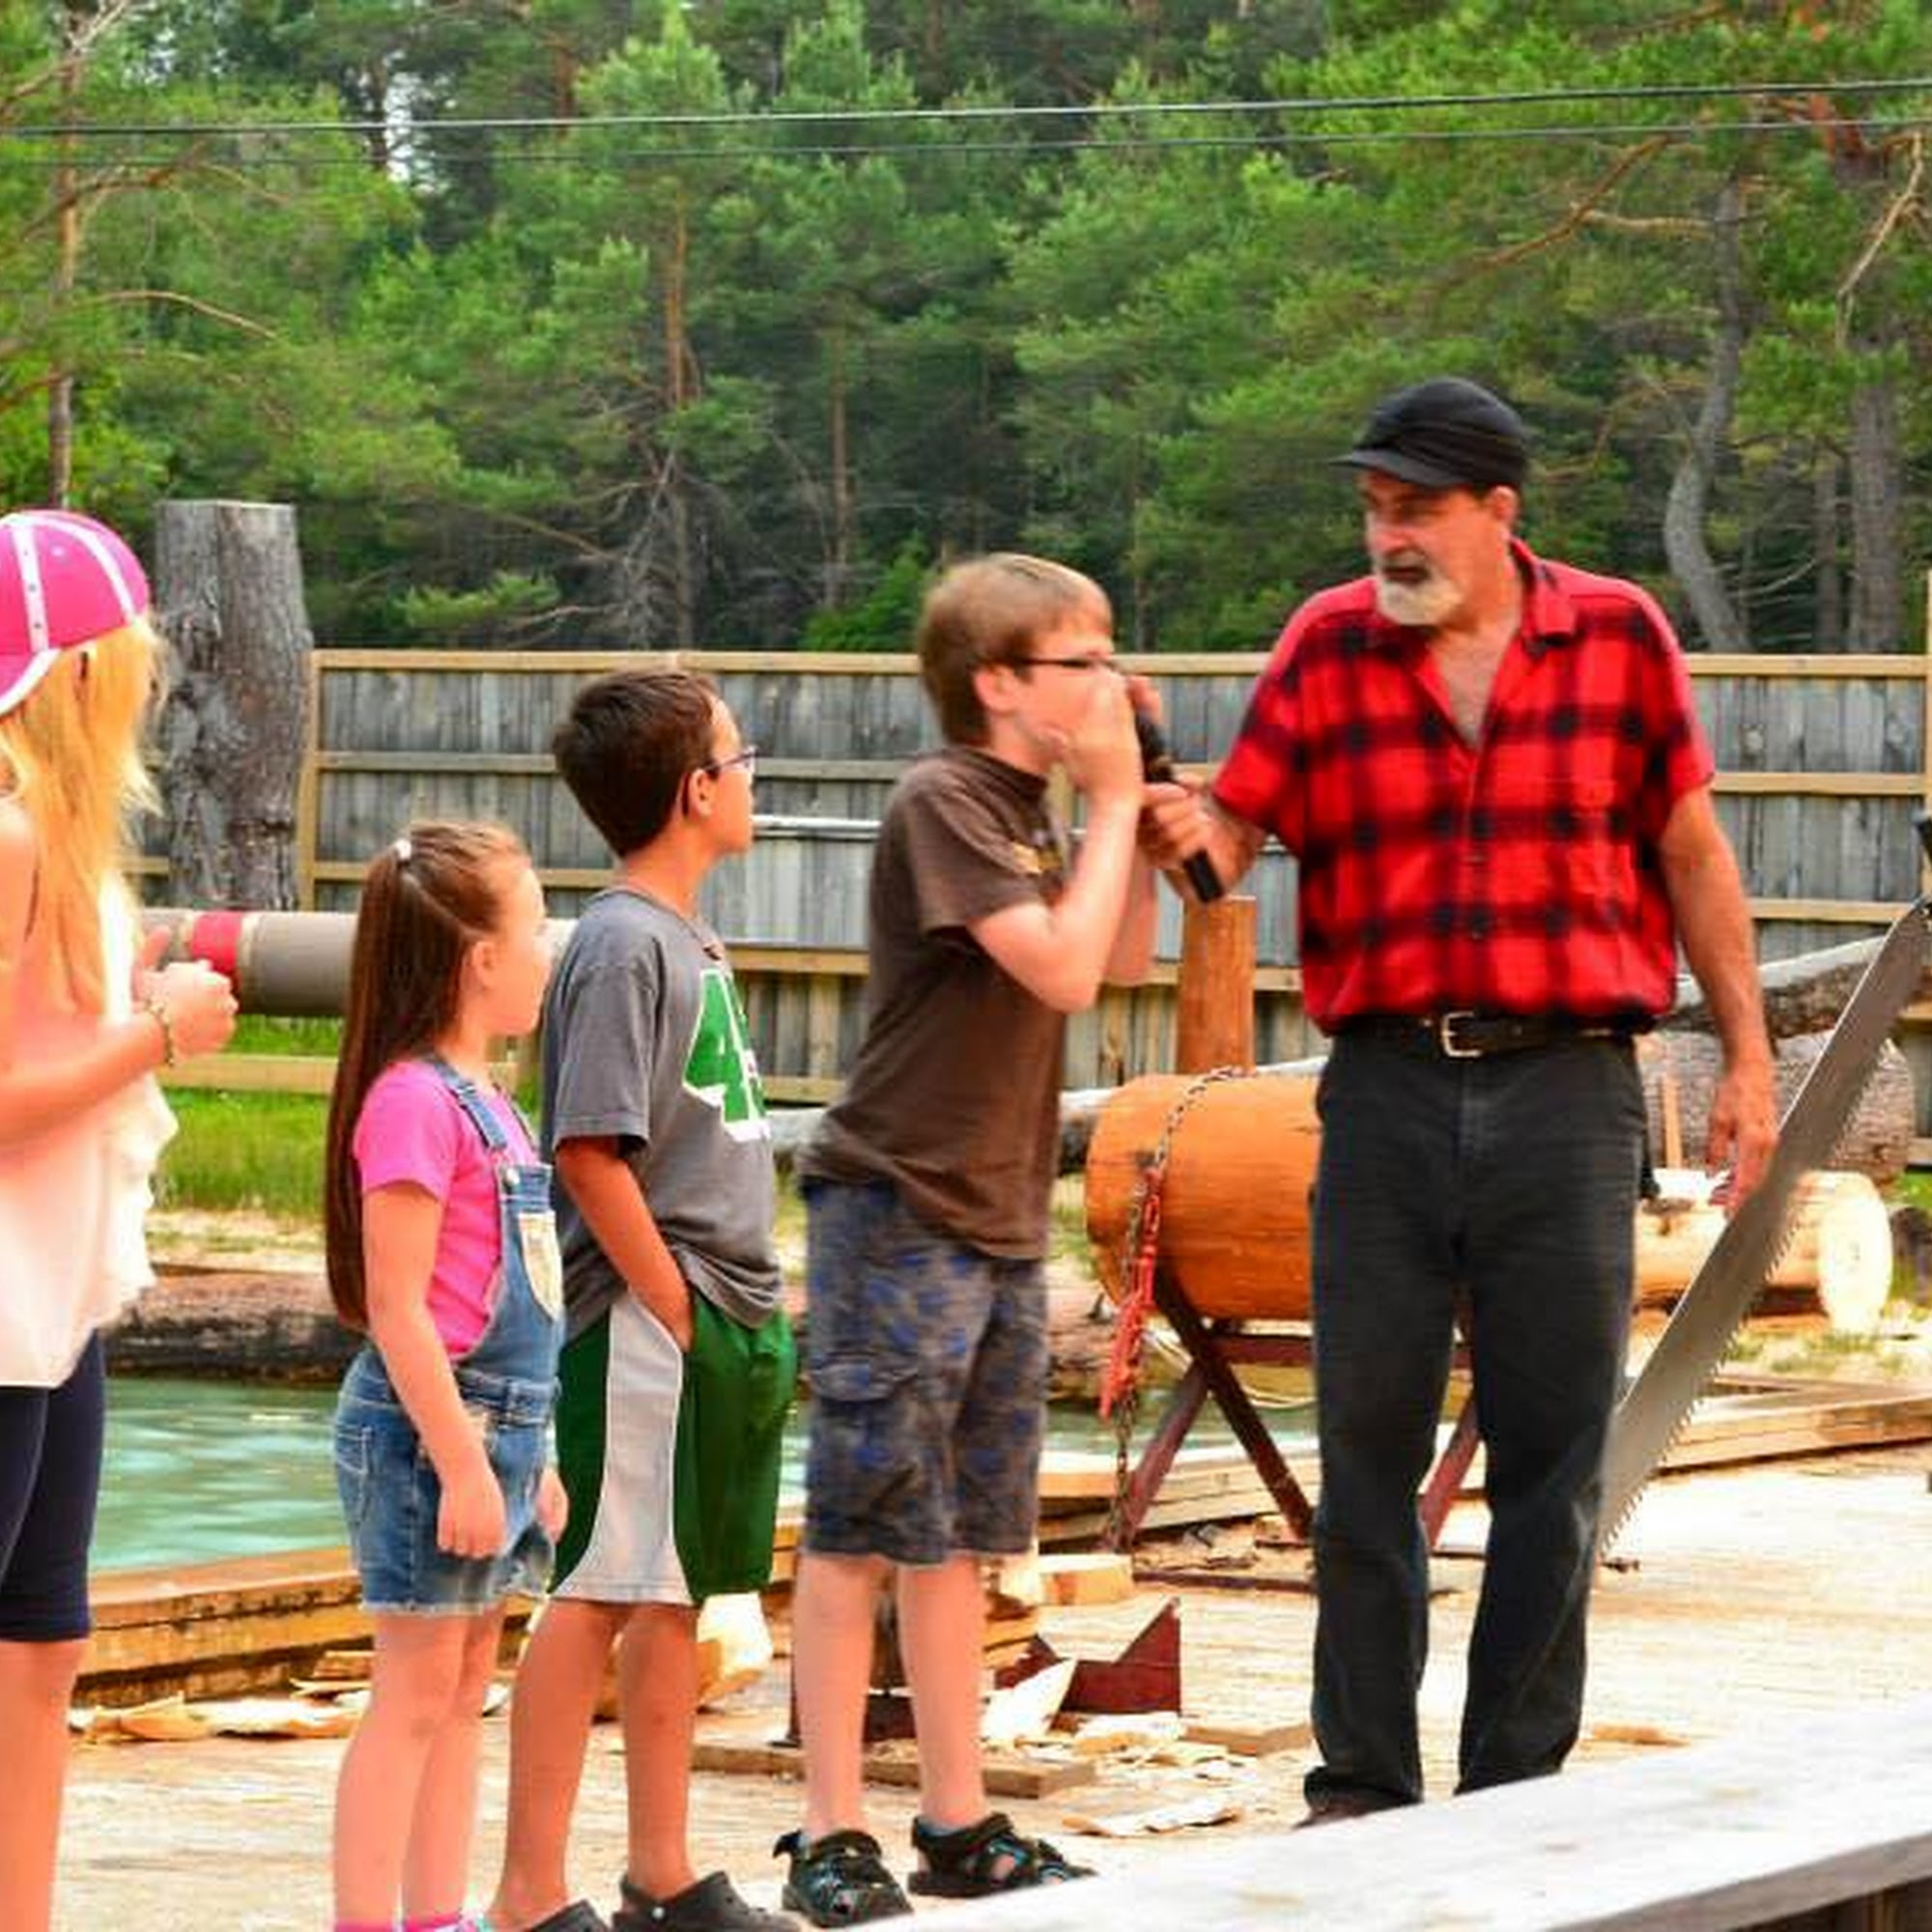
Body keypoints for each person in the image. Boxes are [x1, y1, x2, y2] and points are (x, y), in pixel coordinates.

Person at [1147, 376, 1778, 1818]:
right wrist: (1165, 812)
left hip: (1570, 1091)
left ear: (1500, 510)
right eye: (1374, 507)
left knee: (1555, 1458)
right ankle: (1362, 1786)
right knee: (1364, 1448)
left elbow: (1692, 854)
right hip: (1383, 1089)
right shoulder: (1325, 644)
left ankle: (1515, 1790)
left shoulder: (1619, 635)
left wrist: (1746, 1059)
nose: (1388, 534)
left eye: (1416, 508)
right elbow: (1224, 851)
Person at [778, 553, 1160, 1924]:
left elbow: (1118, 960)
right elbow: (1055, 965)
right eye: (1084, 662)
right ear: (999, 683)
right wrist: (1117, 802)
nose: (1111, 683)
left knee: (956, 1537)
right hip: (899, 1203)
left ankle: (957, 1814)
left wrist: (1131, 826)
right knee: (860, 1524)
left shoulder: (1039, 816)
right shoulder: (944, 798)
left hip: (994, 1216)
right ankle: (828, 1829)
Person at [486, 670, 795, 1932]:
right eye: (741, 754)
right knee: (601, 1586)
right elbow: (587, 1149)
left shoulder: (686, 938)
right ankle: (527, 1892)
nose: (755, 773)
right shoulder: (620, 945)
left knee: (674, 1588)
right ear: (696, 790)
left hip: (719, 1310)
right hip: (649, 1319)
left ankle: (661, 1873)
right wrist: (671, 1307)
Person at [0, 507, 238, 1932]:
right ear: (80, 669)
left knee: (43, 1648)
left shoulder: (63, 849)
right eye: (131, 651)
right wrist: (156, 1031)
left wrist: (127, 993)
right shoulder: (9, 836)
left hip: (52, 1307)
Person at [325, 819, 565, 1932]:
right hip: (430, 1430)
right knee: (413, 1691)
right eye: (537, 927)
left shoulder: (494, 1104)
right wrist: (464, 1463)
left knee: (466, 1685)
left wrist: (533, 1456)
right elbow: (399, 1306)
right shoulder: (415, 1102)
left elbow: (525, 1299)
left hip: (500, 1427)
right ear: (480, 957)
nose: (550, 949)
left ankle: (436, 1913)